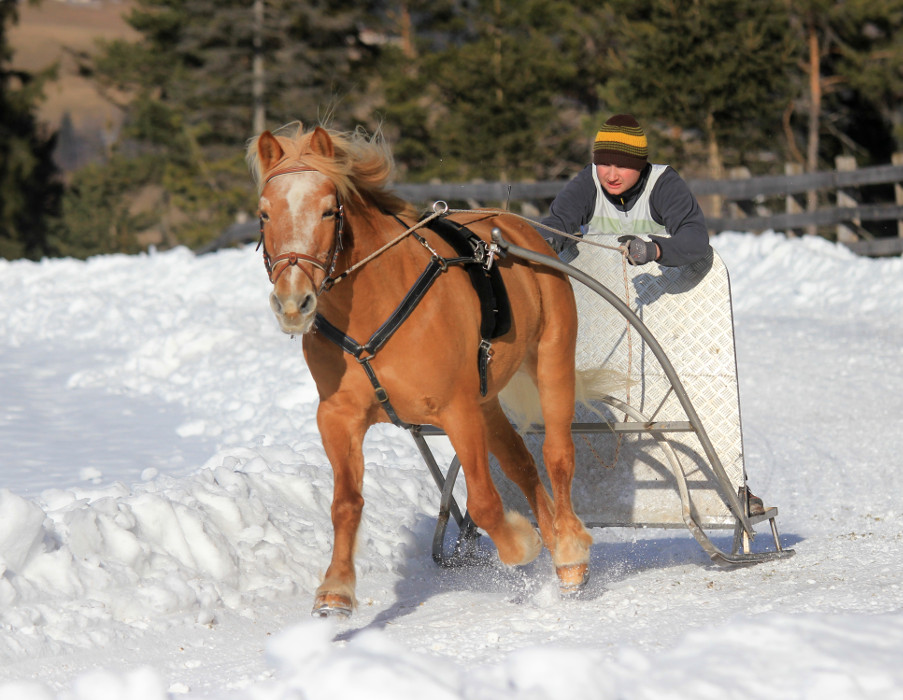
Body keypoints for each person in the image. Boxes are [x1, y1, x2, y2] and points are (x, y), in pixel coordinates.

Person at [540, 114, 711, 267]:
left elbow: (695, 237)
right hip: (600, 285)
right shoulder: (588, 181)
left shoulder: (663, 184)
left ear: (639, 165)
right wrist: (545, 241)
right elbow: (558, 222)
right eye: (604, 164)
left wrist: (653, 250)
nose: (611, 176)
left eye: (622, 166)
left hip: (662, 283)